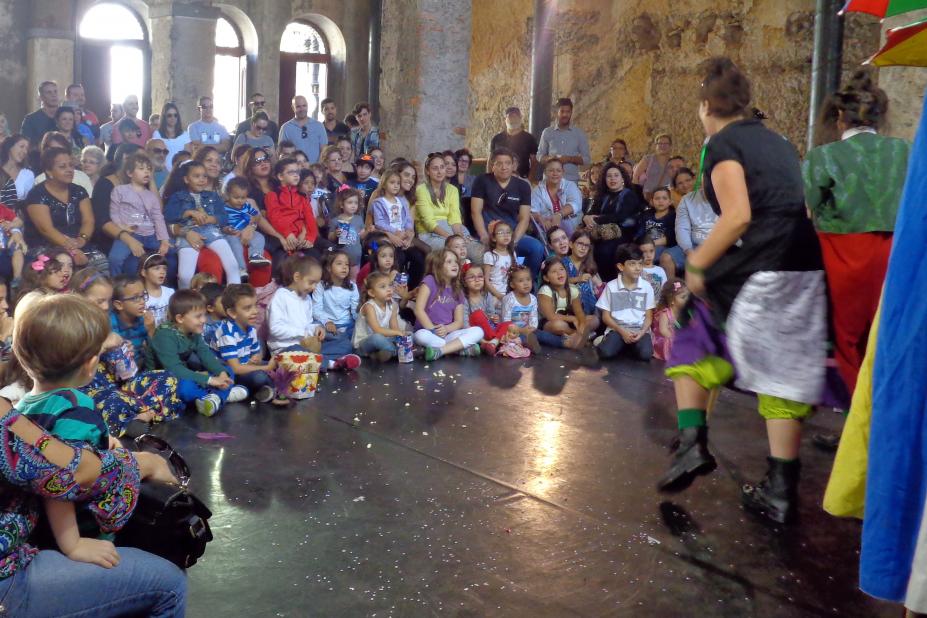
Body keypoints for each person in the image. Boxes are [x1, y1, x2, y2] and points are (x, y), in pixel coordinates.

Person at [657, 58, 831, 526]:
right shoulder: (779, 143)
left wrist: (697, 262)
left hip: (761, 266)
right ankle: (780, 489)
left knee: (692, 336)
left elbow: (737, 216)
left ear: (706, 104)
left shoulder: (723, 143)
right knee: (781, 374)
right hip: (803, 265)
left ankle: (692, 444)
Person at [1, 297, 187, 615]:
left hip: (32, 531)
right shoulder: (76, 406)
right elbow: (61, 481)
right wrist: (72, 544)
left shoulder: (23, 404)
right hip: (67, 537)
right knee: (170, 582)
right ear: (91, 364)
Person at [803, 69, 909, 395]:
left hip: (845, 256)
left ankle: (857, 426)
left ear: (839, 117)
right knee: (888, 335)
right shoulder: (905, 151)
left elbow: (805, 209)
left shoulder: (824, 157)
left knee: (848, 340)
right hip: (899, 254)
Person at [71, 269, 183, 434]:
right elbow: (70, 367)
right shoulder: (69, 326)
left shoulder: (102, 322)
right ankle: (145, 412)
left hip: (120, 387)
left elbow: (125, 373)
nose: (105, 307)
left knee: (168, 378)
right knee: (110, 401)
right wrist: (102, 347)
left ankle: (135, 416)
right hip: (92, 391)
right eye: (100, 301)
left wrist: (124, 352)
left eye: (107, 301)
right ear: (78, 299)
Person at [151, 289, 248, 416]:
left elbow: (206, 355)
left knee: (228, 370)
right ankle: (223, 396)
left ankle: (214, 399)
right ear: (180, 318)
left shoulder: (193, 331)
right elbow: (174, 370)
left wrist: (221, 373)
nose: (203, 320)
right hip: (161, 380)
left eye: (204, 315)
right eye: (198, 316)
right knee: (185, 389)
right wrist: (210, 380)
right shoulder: (164, 335)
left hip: (183, 374)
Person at [163, 160, 240, 288]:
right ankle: (185, 302)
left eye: (204, 176)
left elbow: (223, 217)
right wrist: (187, 212)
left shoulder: (213, 196)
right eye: (196, 176)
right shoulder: (177, 197)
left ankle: (233, 296)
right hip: (187, 232)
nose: (202, 179)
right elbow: (168, 216)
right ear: (186, 179)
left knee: (232, 264)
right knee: (185, 275)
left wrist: (211, 219)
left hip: (210, 230)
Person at [471, 147, 543, 280]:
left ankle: (527, 286)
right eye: (499, 163)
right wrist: (484, 236)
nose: (504, 167)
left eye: (507, 163)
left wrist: (514, 240)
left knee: (536, 248)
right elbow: (476, 212)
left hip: (513, 234)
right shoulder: (482, 181)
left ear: (513, 165)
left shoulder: (523, 186)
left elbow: (524, 218)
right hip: (489, 234)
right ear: (493, 166)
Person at [24, 147, 97, 267]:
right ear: (49, 171)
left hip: (79, 243)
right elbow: (46, 230)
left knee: (100, 262)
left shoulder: (79, 191)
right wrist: (71, 249)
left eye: (71, 165)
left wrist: (82, 239)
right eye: (62, 167)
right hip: (46, 246)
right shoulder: (37, 195)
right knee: (63, 264)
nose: (69, 170)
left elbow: (88, 220)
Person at [211, 283, 283, 404]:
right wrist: (266, 367)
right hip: (230, 373)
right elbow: (235, 368)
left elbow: (256, 355)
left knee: (281, 365)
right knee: (259, 377)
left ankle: (267, 390)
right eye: (247, 308)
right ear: (232, 313)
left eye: (255, 305)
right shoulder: (227, 334)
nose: (255, 311)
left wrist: (257, 358)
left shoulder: (250, 329)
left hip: (244, 366)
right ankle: (255, 390)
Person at [413, 248, 484, 361]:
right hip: (427, 331)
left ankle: (441, 351)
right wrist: (433, 330)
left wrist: (446, 329)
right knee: (420, 336)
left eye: (456, 261)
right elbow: (418, 310)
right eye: (449, 262)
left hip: (447, 333)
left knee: (478, 331)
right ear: (438, 266)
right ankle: (458, 349)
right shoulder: (429, 281)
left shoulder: (457, 290)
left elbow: (459, 322)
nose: (455, 264)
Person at [107, 151, 169, 276]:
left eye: (149, 169)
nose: (146, 172)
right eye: (141, 169)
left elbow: (158, 218)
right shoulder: (120, 190)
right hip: (130, 234)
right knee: (115, 259)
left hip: (150, 235)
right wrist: (122, 227)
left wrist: (164, 239)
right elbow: (114, 212)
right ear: (130, 173)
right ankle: (115, 284)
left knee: (172, 252)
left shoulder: (151, 196)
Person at [583, 161, 646, 282]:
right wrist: (586, 218)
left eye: (616, 175)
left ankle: (607, 284)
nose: (613, 179)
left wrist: (596, 219)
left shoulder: (629, 195)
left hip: (623, 233)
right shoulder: (602, 195)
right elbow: (589, 212)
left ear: (623, 178)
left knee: (604, 250)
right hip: (600, 233)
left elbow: (619, 217)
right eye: (609, 176)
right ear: (604, 179)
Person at [416, 153, 483, 262]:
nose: (439, 171)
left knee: (477, 252)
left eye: (442, 167)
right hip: (430, 233)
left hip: (453, 229)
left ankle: (477, 278)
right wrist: (452, 239)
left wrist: (458, 236)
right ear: (427, 171)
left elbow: (455, 217)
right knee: (456, 251)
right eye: (435, 168)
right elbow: (429, 222)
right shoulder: (421, 190)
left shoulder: (452, 189)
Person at [595, 243, 654, 361]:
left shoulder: (646, 287)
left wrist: (642, 332)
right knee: (605, 353)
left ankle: (628, 346)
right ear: (621, 266)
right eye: (632, 264)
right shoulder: (611, 287)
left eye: (640, 263)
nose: (638, 268)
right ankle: (612, 342)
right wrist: (622, 332)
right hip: (617, 329)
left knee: (646, 354)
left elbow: (649, 316)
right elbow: (606, 317)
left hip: (639, 329)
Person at [311, 250, 362, 371]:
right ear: (329, 267)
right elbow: (316, 310)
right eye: (339, 263)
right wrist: (327, 322)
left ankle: (318, 358)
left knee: (350, 343)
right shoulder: (321, 286)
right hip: (326, 325)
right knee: (316, 335)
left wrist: (362, 320)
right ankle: (328, 359)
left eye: (347, 264)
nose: (344, 267)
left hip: (346, 326)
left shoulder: (352, 286)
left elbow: (355, 310)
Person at [267, 253, 325, 354]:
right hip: (284, 349)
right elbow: (275, 329)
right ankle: (328, 362)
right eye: (311, 282)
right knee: (301, 352)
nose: (314, 287)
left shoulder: (307, 298)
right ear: (297, 277)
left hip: (305, 345)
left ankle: (321, 361)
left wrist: (316, 328)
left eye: (317, 283)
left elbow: (307, 325)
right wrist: (303, 333)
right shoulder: (281, 296)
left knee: (341, 341)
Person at [265, 158, 319, 264]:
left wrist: (310, 238)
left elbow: (310, 219)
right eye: (291, 172)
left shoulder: (302, 197)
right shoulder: (272, 195)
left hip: (301, 240)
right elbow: (275, 218)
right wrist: (288, 233)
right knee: (282, 263)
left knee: (317, 257)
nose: (296, 175)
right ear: (280, 176)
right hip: (283, 239)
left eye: (297, 172)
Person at [537, 256, 595, 349]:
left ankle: (578, 336)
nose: (559, 273)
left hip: (568, 321)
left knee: (593, 319)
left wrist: (582, 325)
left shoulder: (572, 289)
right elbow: (551, 316)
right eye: (554, 272)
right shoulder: (545, 291)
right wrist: (572, 319)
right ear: (546, 278)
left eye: (561, 269)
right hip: (549, 323)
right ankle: (577, 336)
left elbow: (579, 313)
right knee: (558, 325)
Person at [354, 271, 406, 362]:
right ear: (372, 293)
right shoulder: (369, 307)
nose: (389, 289)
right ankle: (399, 352)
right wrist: (397, 334)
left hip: (385, 339)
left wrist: (401, 335)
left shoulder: (392, 305)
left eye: (390, 285)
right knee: (377, 338)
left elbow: (394, 328)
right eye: (383, 287)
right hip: (365, 343)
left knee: (409, 335)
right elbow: (377, 330)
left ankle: (381, 354)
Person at [537, 98, 590, 183]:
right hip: (550, 181)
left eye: (568, 112)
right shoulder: (547, 132)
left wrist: (569, 159)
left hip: (571, 181)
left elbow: (586, 159)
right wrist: (551, 159)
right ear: (556, 112)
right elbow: (539, 156)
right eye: (562, 111)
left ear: (571, 113)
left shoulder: (579, 133)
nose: (565, 114)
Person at [224, 176, 271, 271]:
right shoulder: (223, 208)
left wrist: (252, 221)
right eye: (236, 197)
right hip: (232, 233)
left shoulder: (246, 206)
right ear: (228, 195)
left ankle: (255, 255)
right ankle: (241, 268)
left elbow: (257, 216)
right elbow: (221, 223)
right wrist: (227, 229)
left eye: (243, 197)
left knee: (259, 237)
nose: (240, 200)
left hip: (246, 230)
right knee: (235, 245)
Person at [531, 157, 583, 238]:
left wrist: (559, 215)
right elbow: (533, 210)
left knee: (566, 225)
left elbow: (575, 204)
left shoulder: (570, 185)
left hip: (572, 225)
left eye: (558, 170)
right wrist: (541, 219)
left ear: (563, 172)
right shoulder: (537, 190)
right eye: (551, 170)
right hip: (547, 227)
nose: (555, 173)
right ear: (545, 172)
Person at [638, 187, 683, 275]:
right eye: (657, 198)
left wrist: (651, 244)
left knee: (651, 254)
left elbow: (671, 237)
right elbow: (640, 231)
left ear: (670, 201)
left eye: (664, 198)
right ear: (652, 201)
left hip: (663, 246)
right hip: (646, 244)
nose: (660, 201)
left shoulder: (673, 216)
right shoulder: (646, 214)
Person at [674, 167, 717, 256]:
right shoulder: (685, 200)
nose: (685, 185)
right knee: (667, 257)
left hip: (720, 244)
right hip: (695, 244)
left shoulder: (724, 196)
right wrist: (688, 250)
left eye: (687, 180)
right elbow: (682, 228)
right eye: (680, 183)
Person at [501, 264, 542, 353]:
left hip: (528, 329)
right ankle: (530, 344)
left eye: (528, 279)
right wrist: (521, 330)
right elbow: (506, 321)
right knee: (519, 338)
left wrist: (532, 328)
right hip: (513, 332)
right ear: (512, 284)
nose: (526, 283)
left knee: (544, 335)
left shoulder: (533, 299)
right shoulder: (509, 299)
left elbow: (534, 317)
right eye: (521, 281)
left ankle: (565, 342)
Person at [490, 107, 538, 179]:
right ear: (505, 119)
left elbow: (534, 162)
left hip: (521, 179)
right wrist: (489, 179)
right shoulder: (496, 139)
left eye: (515, 116)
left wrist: (529, 181)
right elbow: (490, 161)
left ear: (520, 118)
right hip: (499, 179)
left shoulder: (529, 139)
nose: (513, 119)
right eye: (510, 116)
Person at [482, 220, 517, 313]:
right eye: (501, 232)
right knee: (491, 308)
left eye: (508, 232)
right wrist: (499, 295)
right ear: (493, 238)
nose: (505, 235)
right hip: (494, 293)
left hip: (509, 292)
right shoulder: (490, 255)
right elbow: (486, 280)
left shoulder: (512, 253)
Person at [279, 96, 327, 164]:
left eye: (304, 105)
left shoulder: (319, 126)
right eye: (298, 106)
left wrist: (316, 168)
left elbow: (324, 151)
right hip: (294, 171)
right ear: (293, 108)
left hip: (315, 170)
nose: (302, 109)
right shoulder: (286, 128)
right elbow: (282, 153)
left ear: (307, 106)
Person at [328, 187, 366, 273]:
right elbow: (330, 237)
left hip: (356, 258)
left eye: (356, 203)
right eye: (350, 202)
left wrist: (368, 231)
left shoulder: (359, 219)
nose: (353, 205)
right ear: (341, 205)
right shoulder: (335, 220)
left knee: (353, 280)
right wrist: (335, 234)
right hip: (341, 259)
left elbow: (361, 236)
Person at [652, 279, 689, 361]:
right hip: (665, 338)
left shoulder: (684, 312)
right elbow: (663, 330)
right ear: (672, 300)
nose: (687, 300)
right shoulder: (665, 313)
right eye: (683, 297)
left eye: (688, 296)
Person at [632, 133, 675, 203]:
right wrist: (637, 195)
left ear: (670, 146)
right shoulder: (648, 159)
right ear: (656, 146)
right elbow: (635, 177)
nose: (663, 146)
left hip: (666, 198)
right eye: (660, 143)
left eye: (666, 144)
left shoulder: (673, 162)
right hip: (647, 197)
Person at [0, 134, 35, 209]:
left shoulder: (28, 175)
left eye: (27, 149)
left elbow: (29, 203)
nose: (25, 151)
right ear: (10, 147)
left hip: (14, 216)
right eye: (21, 146)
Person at [140, 252, 174, 327]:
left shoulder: (170, 292)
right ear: (144, 273)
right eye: (157, 268)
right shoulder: (140, 296)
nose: (162, 272)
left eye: (164, 269)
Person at [152, 102, 189, 167]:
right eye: (169, 115)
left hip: (179, 172)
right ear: (164, 117)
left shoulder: (185, 135)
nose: (173, 118)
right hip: (162, 172)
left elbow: (187, 157)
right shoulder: (157, 134)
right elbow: (154, 156)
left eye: (175, 115)